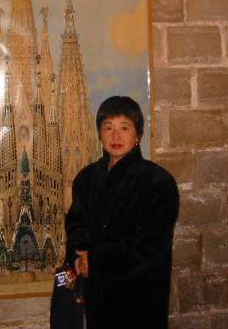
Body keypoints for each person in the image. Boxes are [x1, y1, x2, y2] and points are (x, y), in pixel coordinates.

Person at [64, 95, 179, 329]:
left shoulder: (158, 182)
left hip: (139, 298)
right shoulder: (86, 178)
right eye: (108, 128)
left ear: (138, 135)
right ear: (99, 134)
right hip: (97, 297)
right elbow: (76, 223)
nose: (115, 136)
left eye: (124, 127)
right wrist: (80, 255)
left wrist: (97, 262)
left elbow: (150, 246)